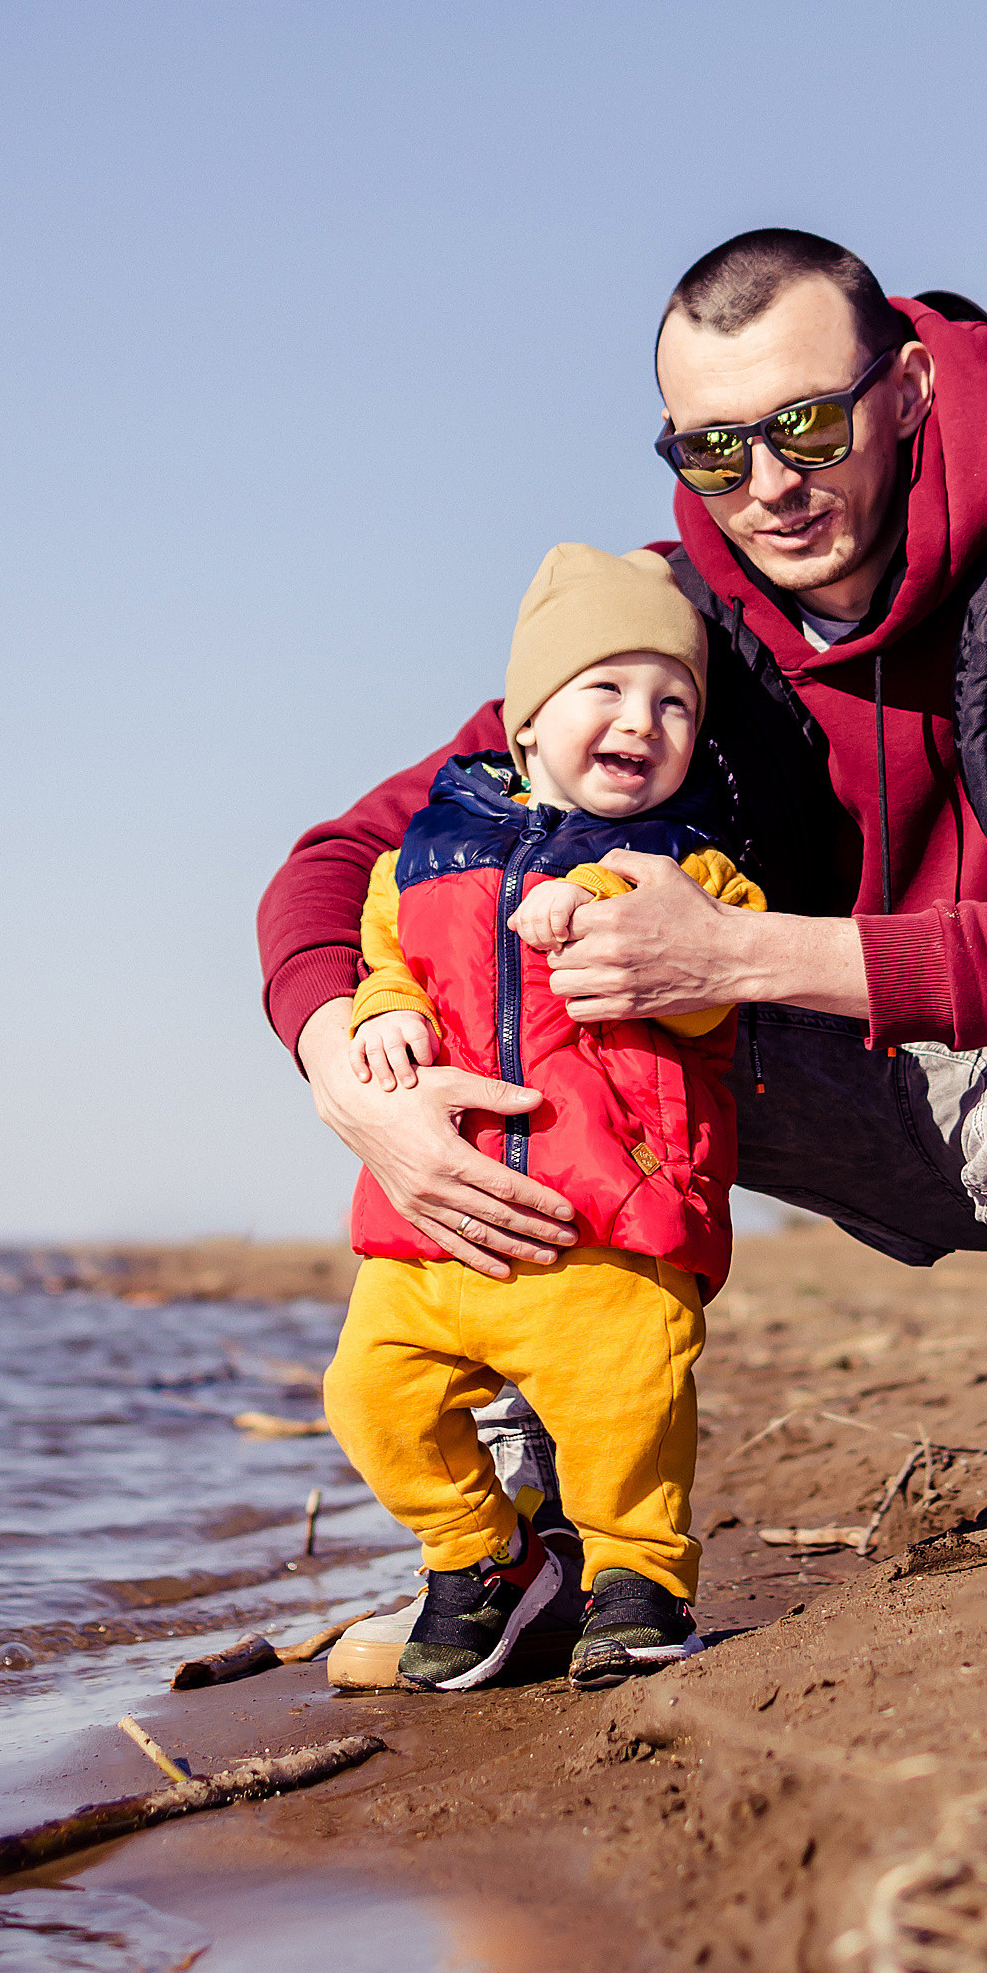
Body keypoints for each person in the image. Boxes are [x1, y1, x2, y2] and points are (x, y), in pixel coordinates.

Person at [263, 230, 987, 1533]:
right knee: (495, 949)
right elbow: (342, 864)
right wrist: (353, 1076)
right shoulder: (668, 625)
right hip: (830, 1078)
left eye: (806, 426)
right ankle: (527, 1473)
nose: (768, 484)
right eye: (712, 450)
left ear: (906, 392)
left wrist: (730, 958)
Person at [319, 540, 765, 1692]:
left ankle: (636, 1576)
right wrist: (380, 1015)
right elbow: (386, 956)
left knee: (626, 1405)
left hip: (607, 1214)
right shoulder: (420, 855)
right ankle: (483, 1558)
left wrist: (614, 898)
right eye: (605, 689)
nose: (643, 719)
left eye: (674, 700)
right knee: (370, 1394)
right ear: (524, 723)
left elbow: (719, 982)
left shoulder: (694, 863)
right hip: (439, 1225)